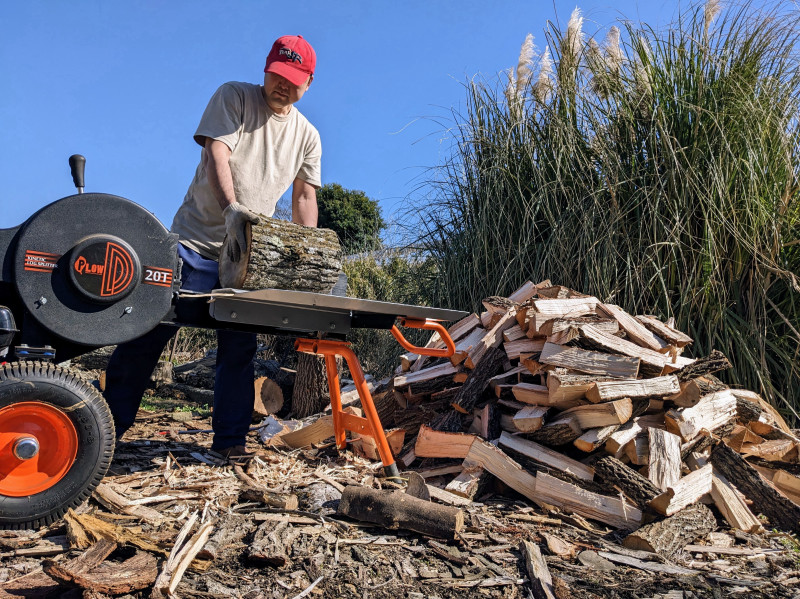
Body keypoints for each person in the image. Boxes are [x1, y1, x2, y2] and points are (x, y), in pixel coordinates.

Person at [104, 34, 321, 460]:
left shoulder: (307, 135)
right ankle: (104, 431)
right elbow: (216, 154)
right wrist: (232, 210)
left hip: (245, 263)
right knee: (146, 335)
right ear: (266, 69)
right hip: (193, 244)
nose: (282, 85)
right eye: (277, 75)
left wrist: (304, 255)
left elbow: (304, 198)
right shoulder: (235, 97)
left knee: (238, 351)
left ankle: (229, 444)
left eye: (293, 81)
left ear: (308, 82)